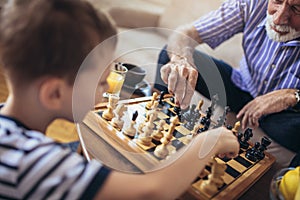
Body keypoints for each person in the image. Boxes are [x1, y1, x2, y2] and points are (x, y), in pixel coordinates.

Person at [0, 0, 239, 199]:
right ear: (54, 94)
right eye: (102, 82)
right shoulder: (31, 164)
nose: (105, 90)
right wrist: (210, 141)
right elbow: (152, 192)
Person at [155, 0, 300, 163]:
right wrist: (180, 60)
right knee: (172, 55)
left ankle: (288, 185)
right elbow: (185, 34)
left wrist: (292, 96)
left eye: (296, 9)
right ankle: (157, 123)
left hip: (286, 113)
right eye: (277, 1)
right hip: (241, 86)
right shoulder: (252, 4)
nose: (279, 18)